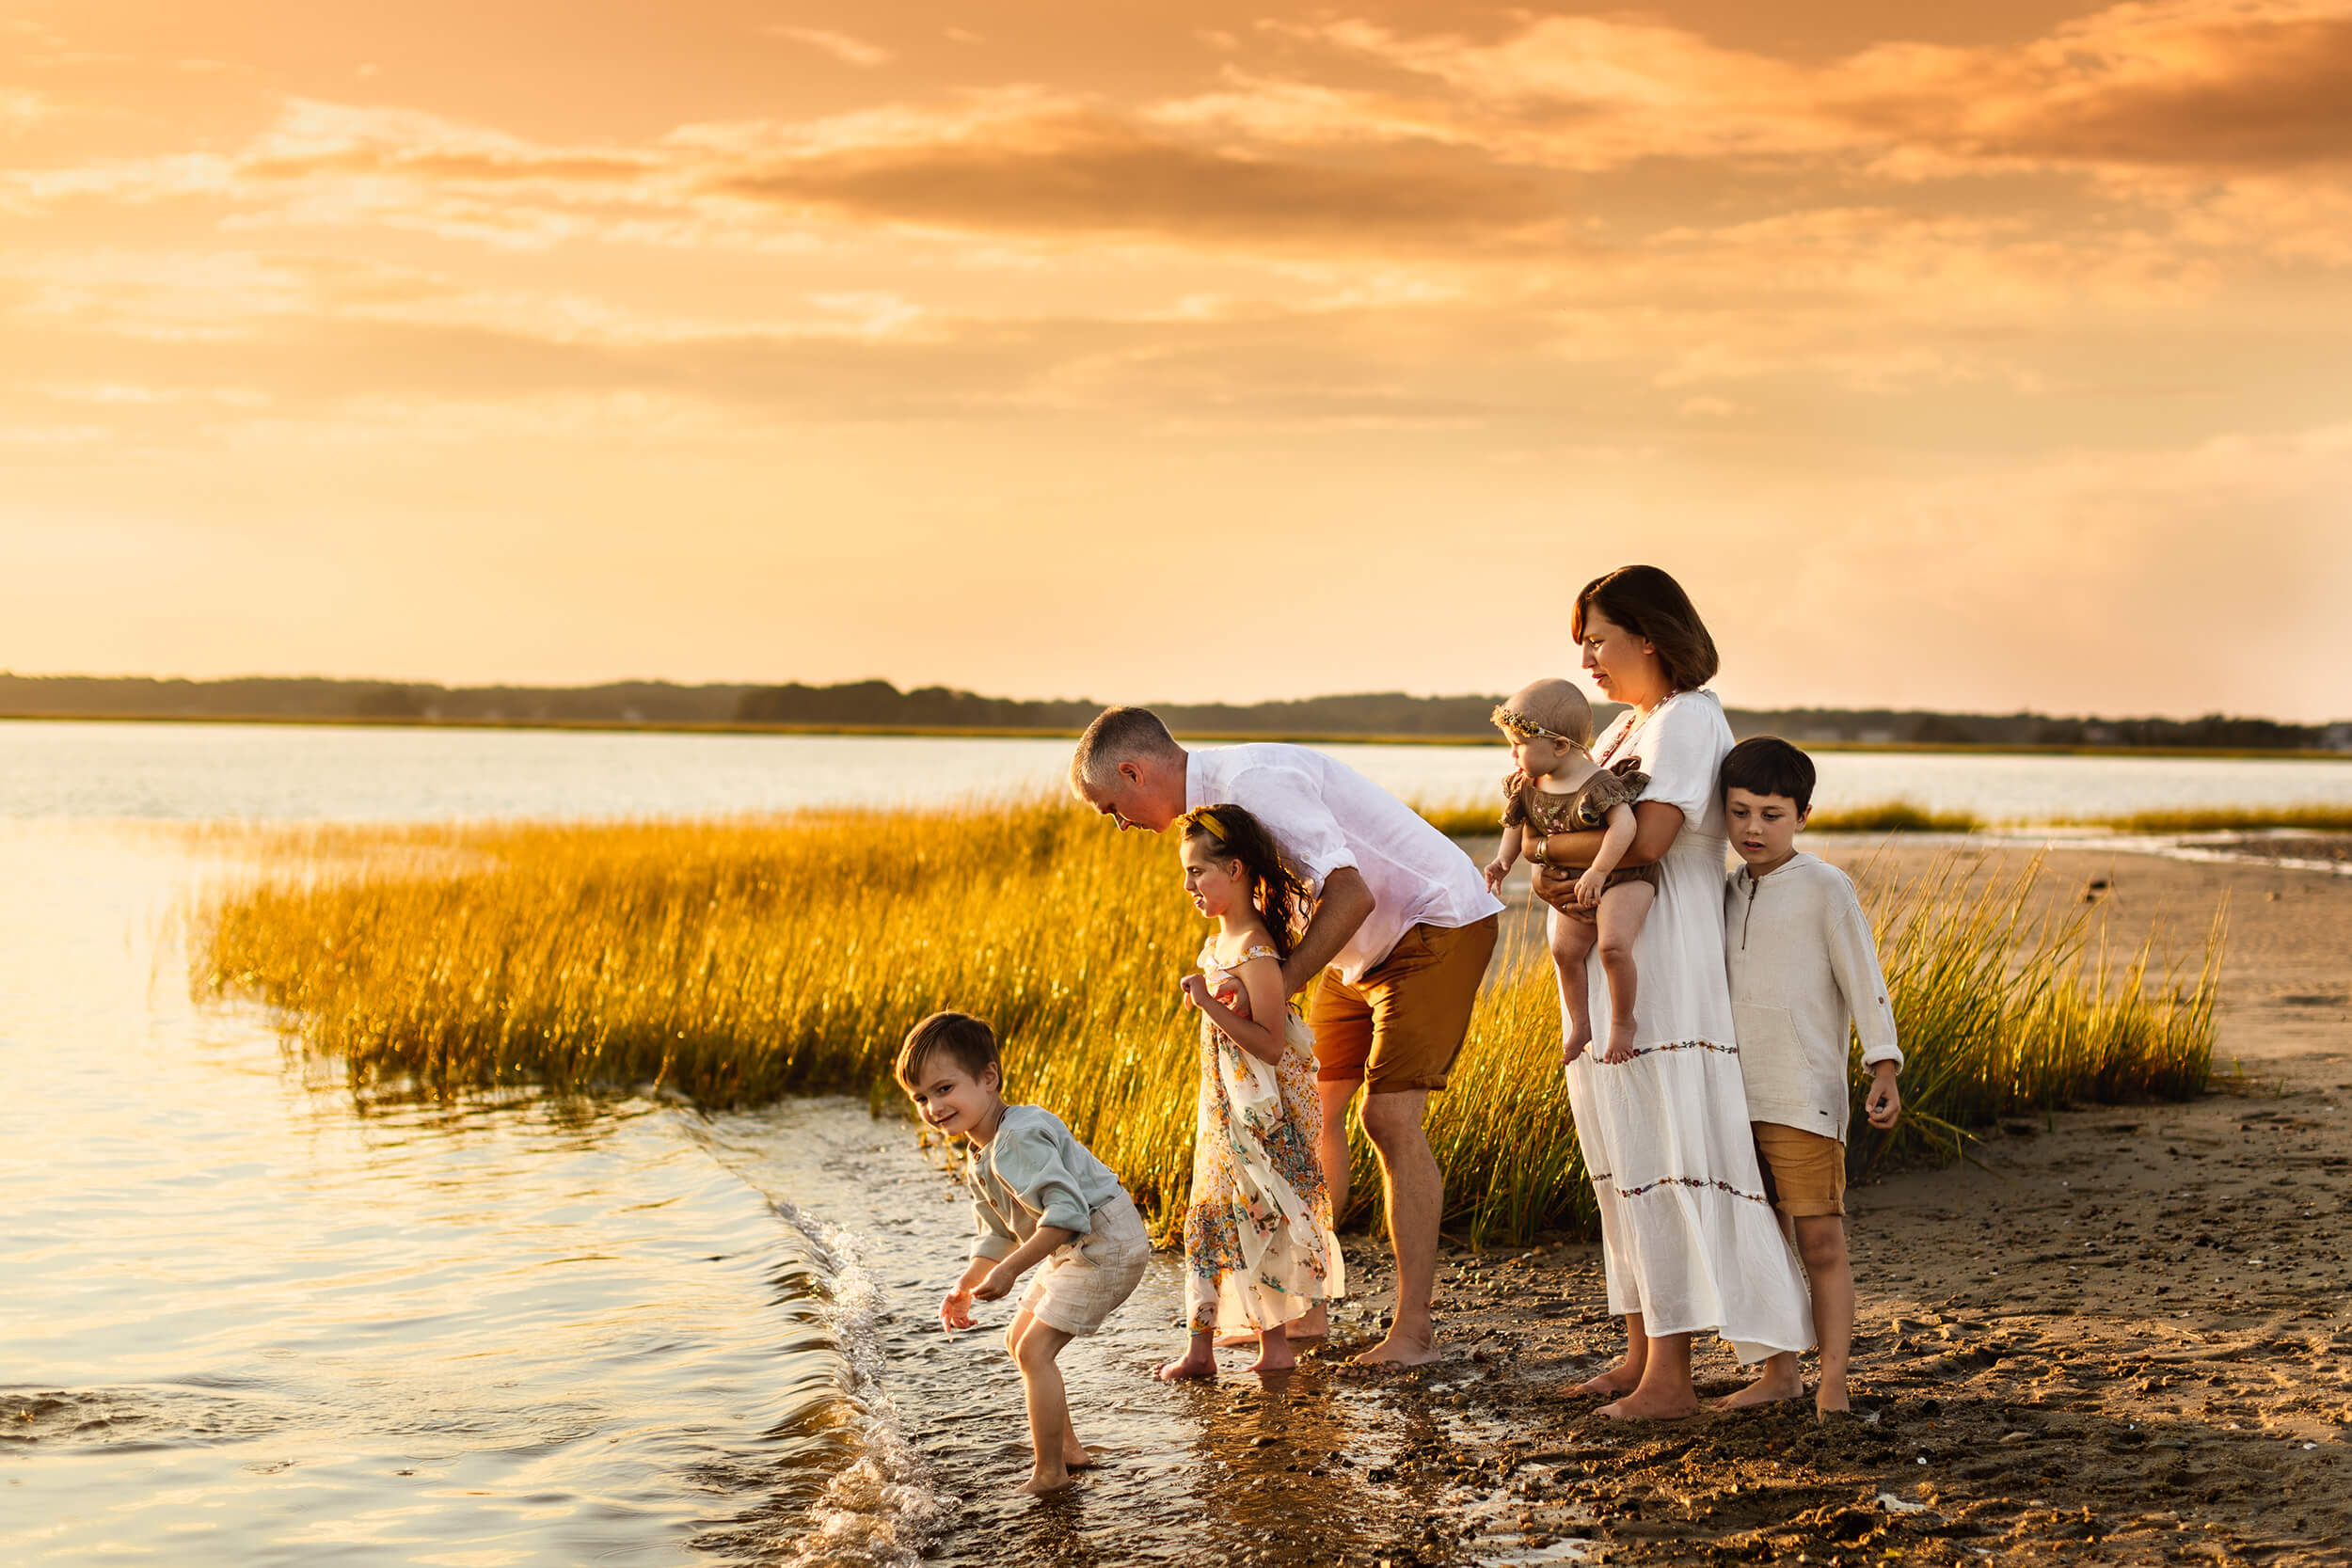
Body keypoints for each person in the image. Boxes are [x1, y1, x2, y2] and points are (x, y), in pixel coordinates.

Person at [1069, 708, 1502, 1367]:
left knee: (1387, 1119)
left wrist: (1278, 985)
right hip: (1355, 955)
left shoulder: (1253, 783)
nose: (1119, 823)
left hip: (1432, 922)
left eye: (1111, 807)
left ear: (1133, 771)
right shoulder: (1216, 812)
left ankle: (1413, 1332)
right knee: (1306, 1117)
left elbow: (1350, 894)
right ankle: (1301, 1310)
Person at [1525, 564, 1813, 1418]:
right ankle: (1642, 1350)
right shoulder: (1623, 728)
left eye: (1599, 638)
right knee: (1627, 1160)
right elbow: (1569, 824)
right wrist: (1555, 857)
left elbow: (1645, 837)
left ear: (1650, 636)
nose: (1587, 658)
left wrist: (1543, 857)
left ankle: (1674, 1380)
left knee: (1674, 1153)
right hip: (1622, 958)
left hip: (1667, 959)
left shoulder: (1690, 719)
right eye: (1582, 642)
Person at [1715, 736, 1904, 1416]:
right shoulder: (1725, 888)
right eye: (1738, 812)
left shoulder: (1826, 886)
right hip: (1732, 1098)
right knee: (1761, 1242)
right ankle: (1778, 1371)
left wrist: (1883, 1065)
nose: (1753, 828)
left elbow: (1865, 980)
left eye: (1771, 813)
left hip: (1803, 1097)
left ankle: (1833, 1378)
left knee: (1819, 1241)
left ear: (1803, 815)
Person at [898, 1011, 1151, 1494]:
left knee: (1036, 1351)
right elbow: (996, 1235)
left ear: (988, 1078)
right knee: (1017, 1339)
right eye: (921, 1098)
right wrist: (965, 1287)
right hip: (1077, 1244)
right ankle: (1069, 1451)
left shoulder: (1018, 1137)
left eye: (944, 1089)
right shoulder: (982, 1152)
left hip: (1106, 1241)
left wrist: (1012, 1271)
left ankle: (1050, 1473)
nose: (933, 1107)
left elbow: (1068, 1214)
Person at [1156, 804, 1345, 1381]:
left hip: (1264, 1113)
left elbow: (1269, 1045)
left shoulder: (1257, 950)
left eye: (1199, 872)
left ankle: (1276, 1347)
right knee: (1210, 1214)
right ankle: (1201, 1348)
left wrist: (1210, 1005)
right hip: (1222, 1107)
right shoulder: (1218, 942)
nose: (1189, 884)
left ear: (1235, 869)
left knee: (1257, 1215)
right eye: (1186, 872)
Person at [1484, 677, 1658, 1066]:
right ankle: (1581, 1024)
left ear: (1560, 746)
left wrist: (1598, 871)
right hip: (1577, 885)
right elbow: (1516, 823)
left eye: (1520, 745)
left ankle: (1622, 1021)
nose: (1513, 755)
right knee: (1565, 951)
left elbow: (1625, 828)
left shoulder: (1598, 785)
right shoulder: (1528, 783)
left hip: (1621, 878)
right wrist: (1503, 861)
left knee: (1613, 946)